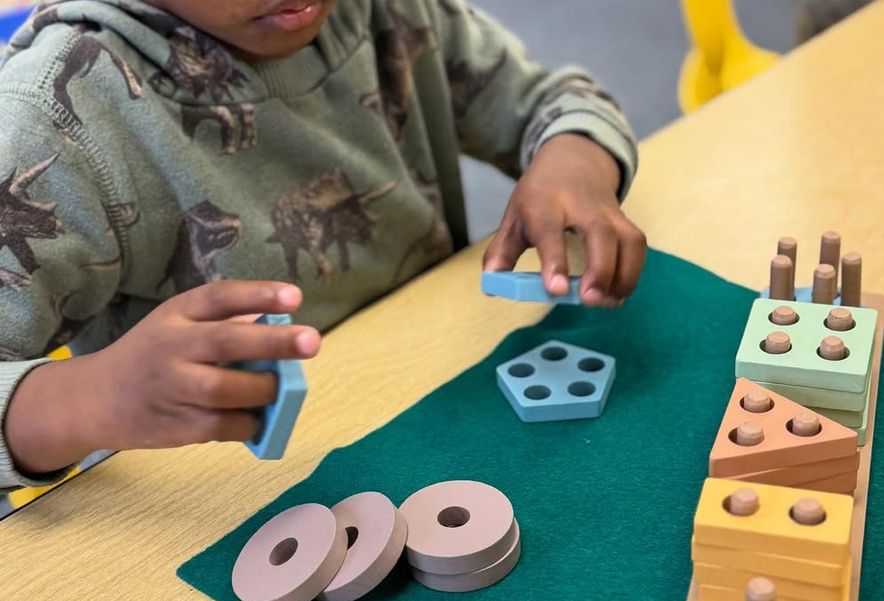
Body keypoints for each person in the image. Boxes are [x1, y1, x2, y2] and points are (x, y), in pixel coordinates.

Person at [0, 0, 646, 489]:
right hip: (229, 502)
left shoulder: (387, 12)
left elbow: (554, 100)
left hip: (444, 407)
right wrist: (87, 401)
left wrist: (577, 162)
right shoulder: (48, 123)